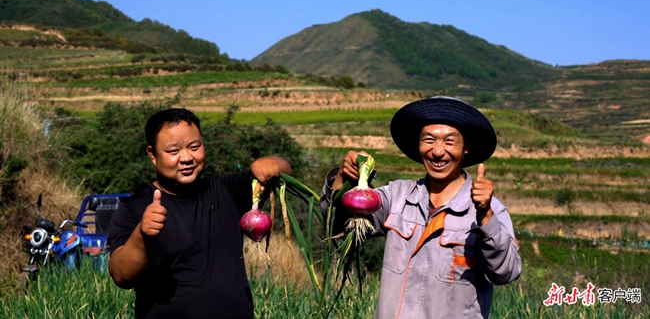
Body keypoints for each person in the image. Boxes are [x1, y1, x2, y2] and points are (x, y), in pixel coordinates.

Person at [321, 96, 522, 318]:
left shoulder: (490, 210)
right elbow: (339, 224)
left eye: (449, 141)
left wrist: (485, 216)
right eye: (429, 140)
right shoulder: (396, 197)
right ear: (418, 144)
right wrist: (342, 176)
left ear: (467, 148)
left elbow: (506, 272)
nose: (437, 151)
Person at [107, 108, 292, 319]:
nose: (186, 157)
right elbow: (121, 276)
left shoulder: (227, 190)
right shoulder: (135, 207)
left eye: (194, 147)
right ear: (152, 154)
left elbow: (284, 171)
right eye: (173, 151)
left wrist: (271, 164)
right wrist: (141, 234)